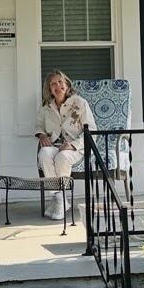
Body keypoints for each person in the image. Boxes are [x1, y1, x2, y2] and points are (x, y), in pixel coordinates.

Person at [35, 70, 96, 220]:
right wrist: (42, 135)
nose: (57, 86)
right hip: (55, 145)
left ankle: (59, 201)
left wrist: (73, 145)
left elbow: (91, 130)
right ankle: (60, 198)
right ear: (49, 89)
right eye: (53, 84)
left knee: (62, 157)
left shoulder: (80, 103)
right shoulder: (46, 107)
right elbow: (39, 126)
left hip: (77, 148)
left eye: (60, 82)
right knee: (43, 153)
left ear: (67, 85)